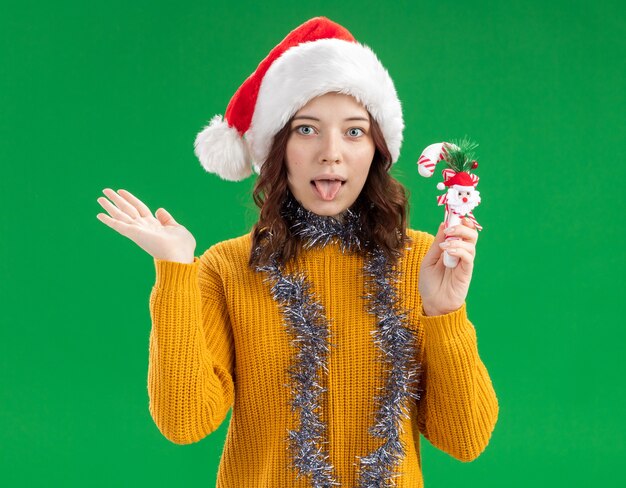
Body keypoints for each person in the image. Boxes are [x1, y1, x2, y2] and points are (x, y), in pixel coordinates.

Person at [96, 16, 498, 488]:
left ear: (377, 150)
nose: (331, 153)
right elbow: (184, 422)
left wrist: (444, 311)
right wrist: (175, 269)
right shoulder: (227, 268)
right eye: (307, 130)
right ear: (277, 148)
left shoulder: (423, 262)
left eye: (354, 131)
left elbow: (465, 440)